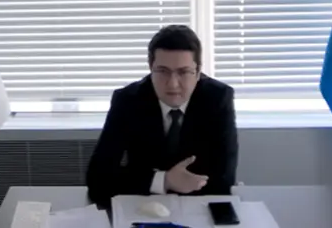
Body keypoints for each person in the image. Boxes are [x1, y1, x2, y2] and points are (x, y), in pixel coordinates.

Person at [86, 25, 238, 207]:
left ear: (198, 72)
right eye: (163, 71)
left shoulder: (217, 98)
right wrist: (164, 180)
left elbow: (224, 179)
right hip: (143, 205)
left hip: (197, 207)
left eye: (183, 72)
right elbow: (97, 177)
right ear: (151, 68)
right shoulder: (128, 100)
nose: (173, 84)